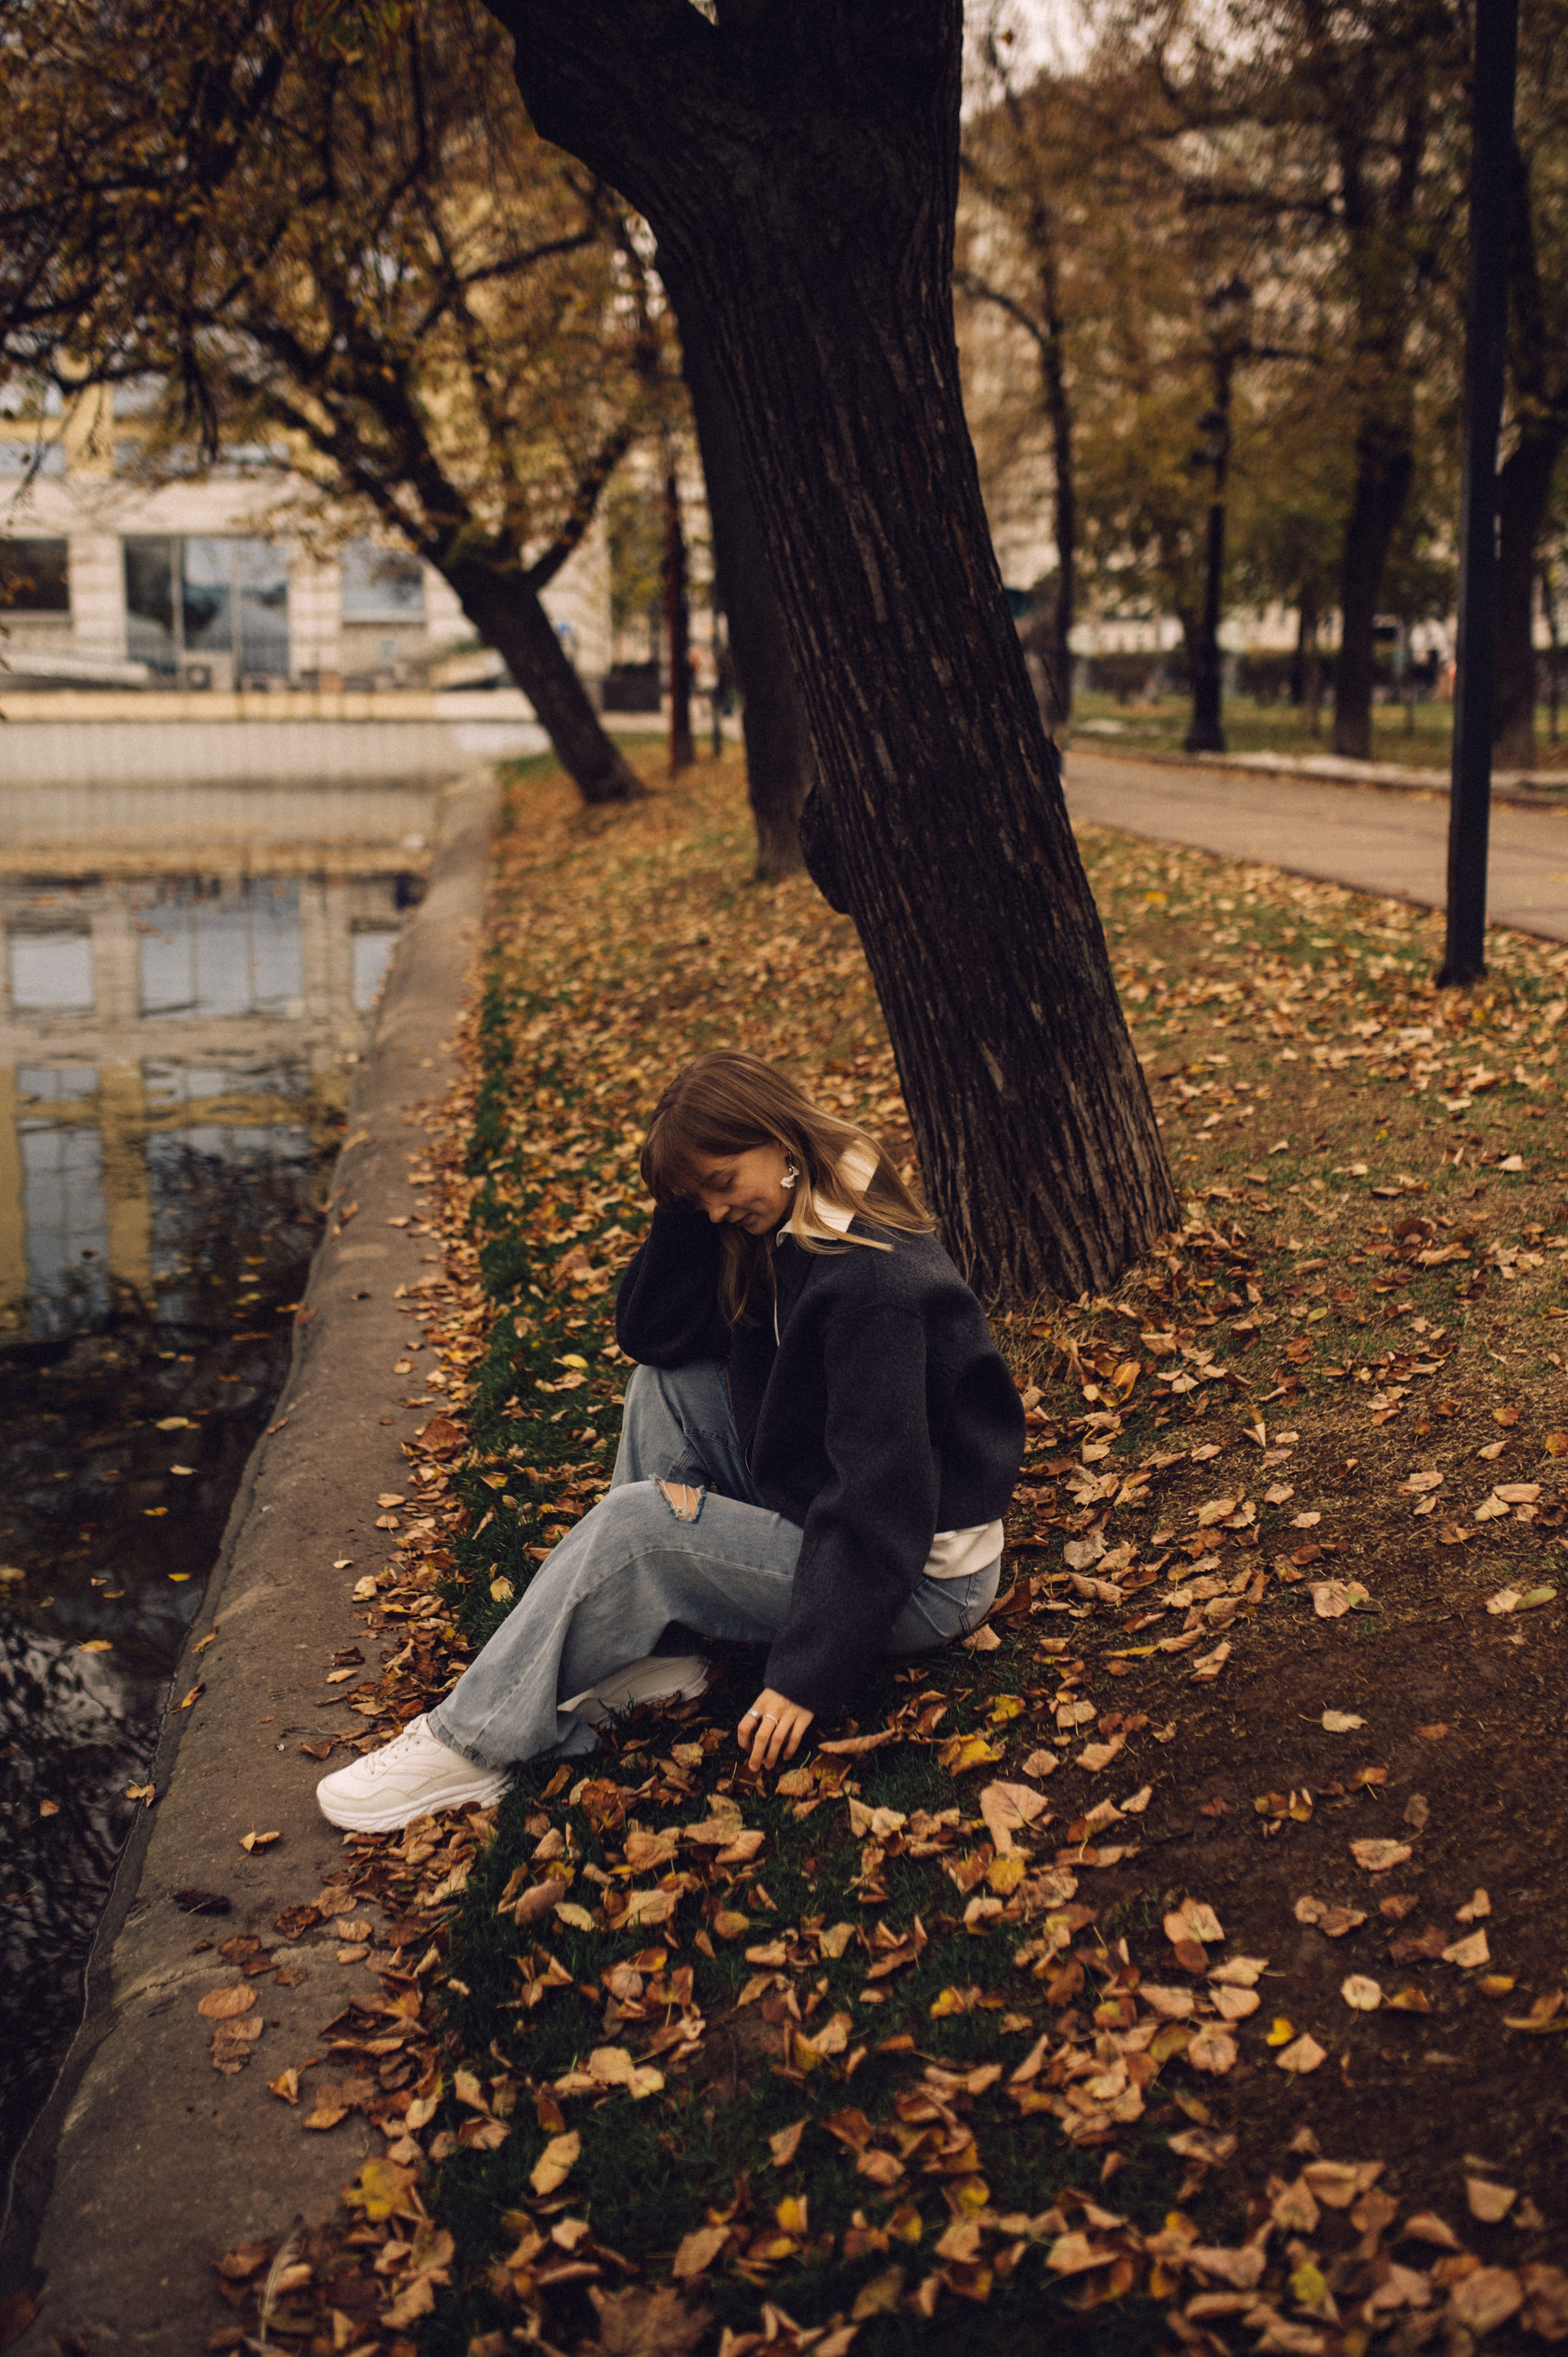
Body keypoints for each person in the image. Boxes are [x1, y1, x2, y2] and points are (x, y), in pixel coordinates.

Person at [316, 1050, 1024, 1832]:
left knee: (640, 1530)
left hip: (916, 1585)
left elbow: (882, 1503)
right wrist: (689, 1200)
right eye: (701, 1199)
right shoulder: (799, 1206)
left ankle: (470, 1744)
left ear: (780, 1141)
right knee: (669, 1386)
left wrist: (804, 1675)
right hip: (835, 1498)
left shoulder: (870, 1286)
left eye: (722, 1184)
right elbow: (654, 1335)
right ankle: (667, 1652)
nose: (716, 1211)